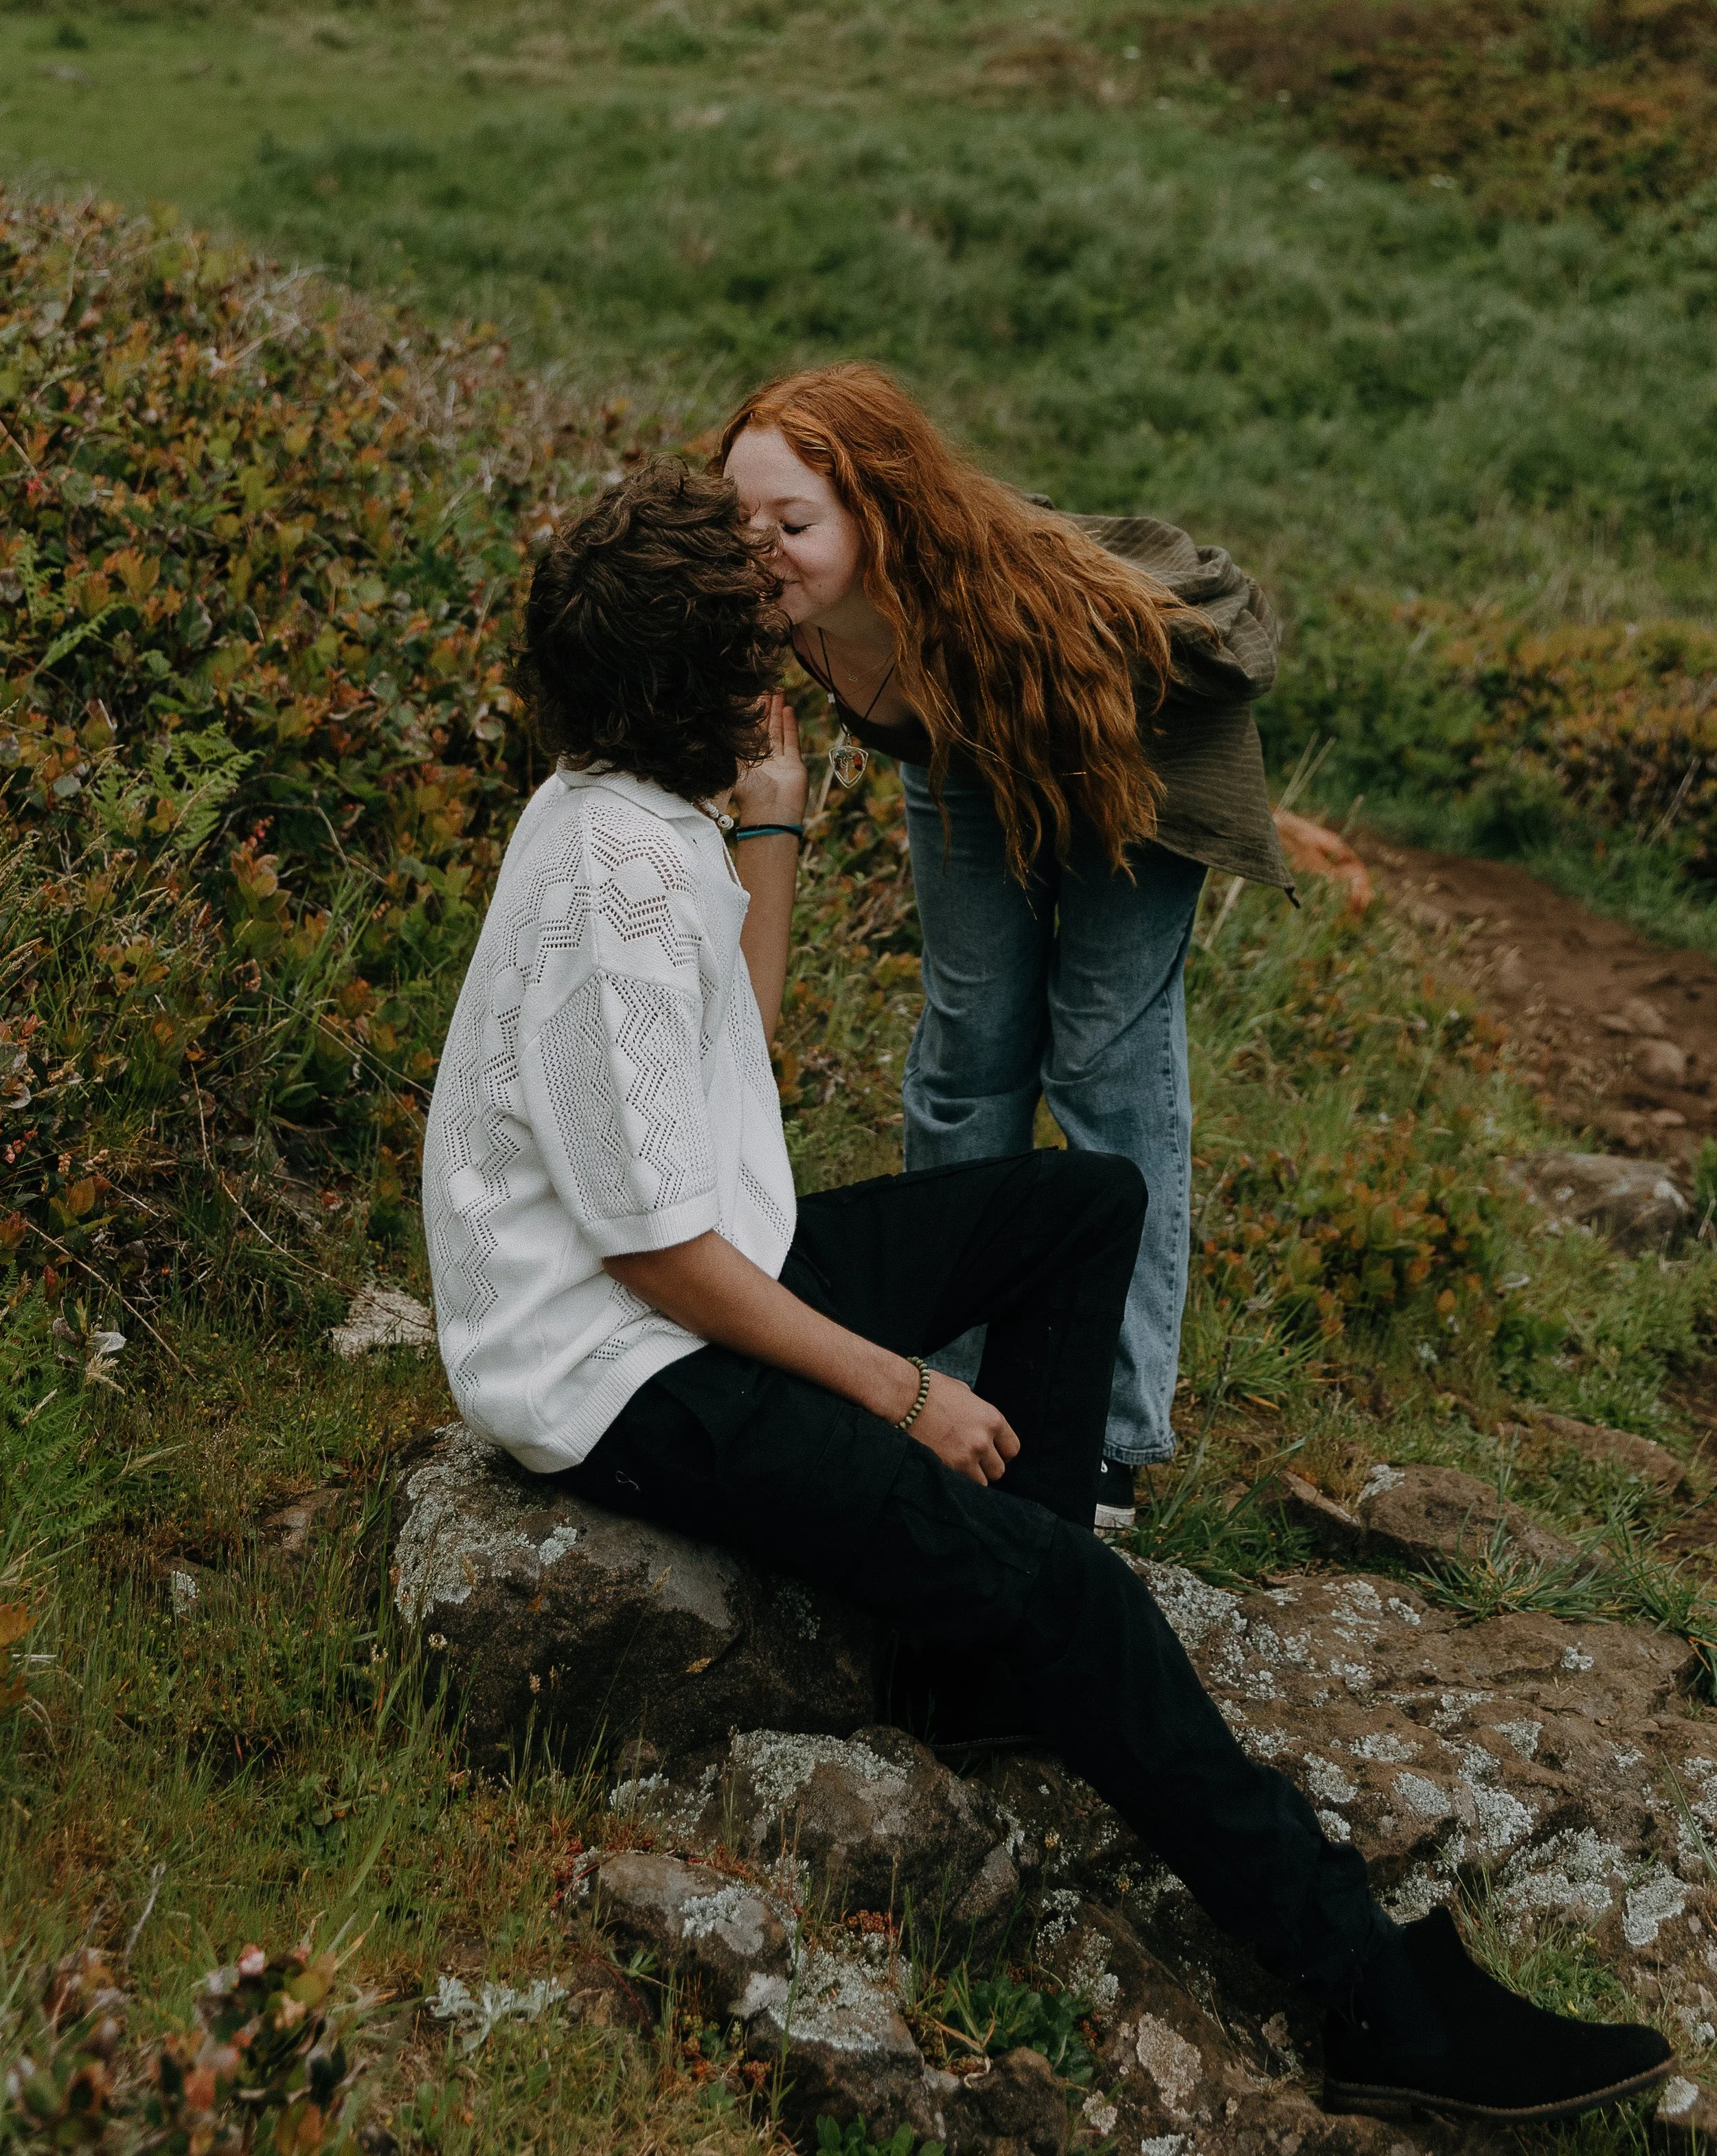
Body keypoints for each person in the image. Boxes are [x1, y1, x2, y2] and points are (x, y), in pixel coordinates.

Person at [421, 461, 1672, 2127]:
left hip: (686, 1269)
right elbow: (658, 1253)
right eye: (755, 642)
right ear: (696, 680)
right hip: (618, 1362)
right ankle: (1378, 2007)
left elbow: (717, 1077)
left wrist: (773, 833)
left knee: (1079, 1202)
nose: (782, 653)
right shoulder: (621, 879)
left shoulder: (620, 811)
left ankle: (993, 1665)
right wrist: (901, 1386)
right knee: (1086, 1601)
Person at [718, 365, 1293, 1530]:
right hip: (959, 748)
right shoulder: (777, 609)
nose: (760, 549)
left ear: (880, 514)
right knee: (967, 1045)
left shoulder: (997, 599)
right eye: (739, 519)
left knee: (1102, 1054)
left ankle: (1112, 1436)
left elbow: (1123, 707)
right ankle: (948, 1388)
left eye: (792, 523)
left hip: (1124, 736)